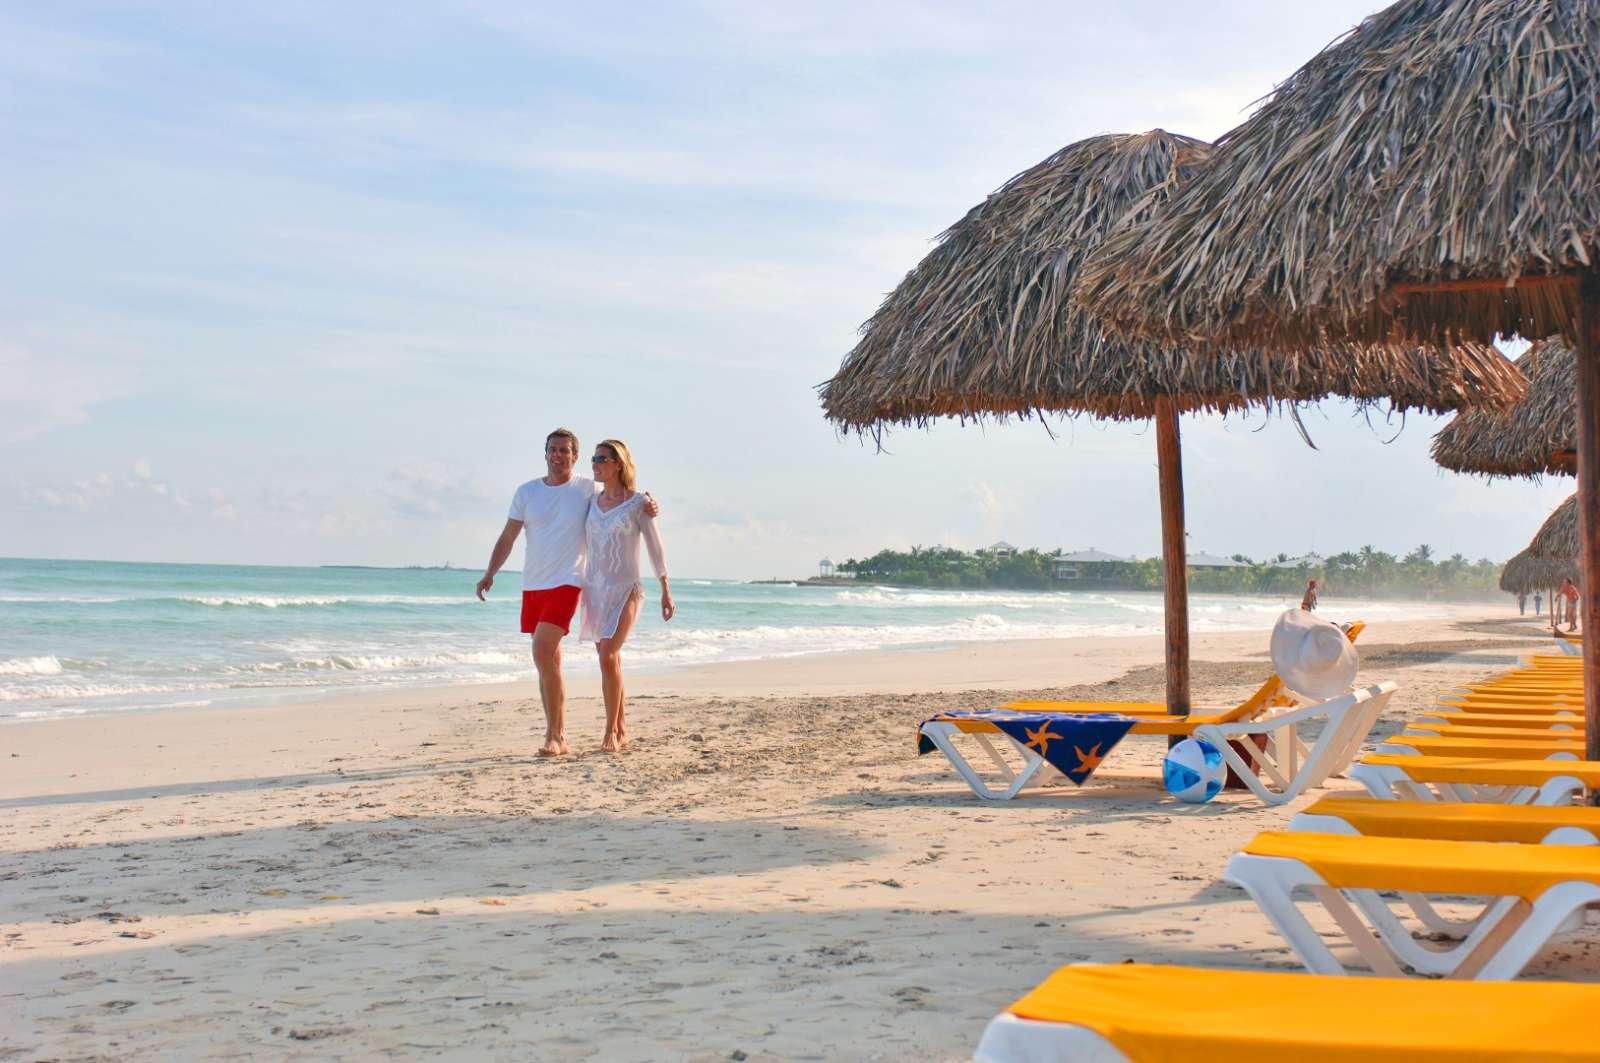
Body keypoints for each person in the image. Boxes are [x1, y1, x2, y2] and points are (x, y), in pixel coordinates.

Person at [476, 428, 657, 756]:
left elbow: (624, 494)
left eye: (565, 450)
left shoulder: (587, 489)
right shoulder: (526, 492)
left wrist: (650, 504)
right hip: (533, 584)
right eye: (553, 450)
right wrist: (490, 572)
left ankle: (555, 736)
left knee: (542, 650)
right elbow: (508, 537)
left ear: (575, 457)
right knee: (549, 658)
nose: (558, 455)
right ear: (545, 454)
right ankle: (615, 727)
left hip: (569, 580)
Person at [580, 439, 673, 753]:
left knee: (608, 655)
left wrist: (665, 589)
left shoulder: (638, 502)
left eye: (601, 458)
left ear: (618, 463)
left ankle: (610, 732)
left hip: (626, 590)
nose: (595, 463)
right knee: (609, 661)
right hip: (593, 590)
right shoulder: (589, 499)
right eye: (593, 458)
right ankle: (621, 727)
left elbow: (654, 546)